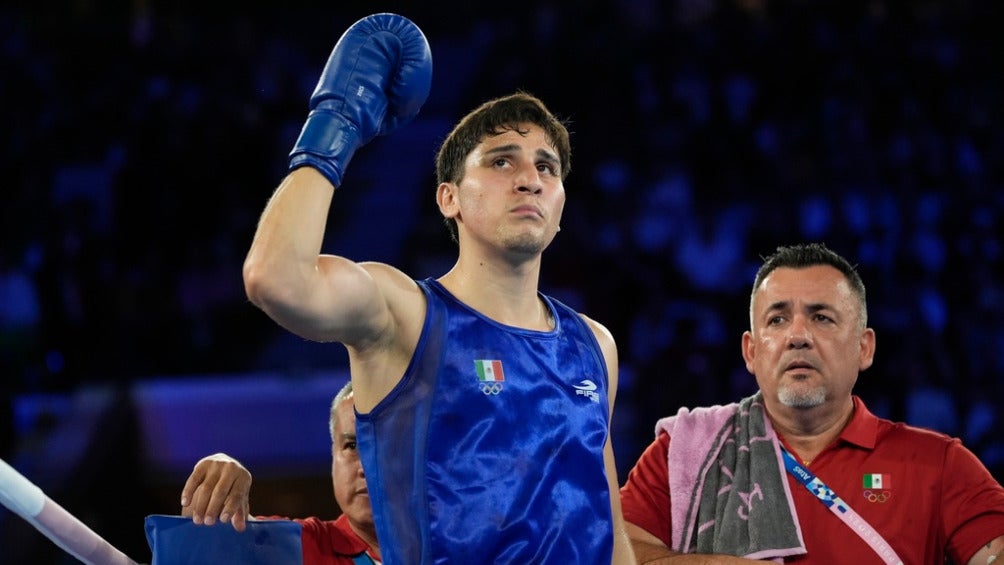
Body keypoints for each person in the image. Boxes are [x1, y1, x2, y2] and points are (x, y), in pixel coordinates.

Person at [240, 12, 634, 564]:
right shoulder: (405, 314)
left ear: (561, 205)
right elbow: (274, 277)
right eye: (502, 161)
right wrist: (336, 121)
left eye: (547, 168)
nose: (530, 179)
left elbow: (610, 532)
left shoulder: (595, 345)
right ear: (449, 198)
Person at [619, 242, 1004, 564]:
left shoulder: (939, 464)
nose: (798, 336)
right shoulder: (684, 453)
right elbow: (614, 553)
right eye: (777, 320)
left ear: (864, 348)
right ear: (751, 352)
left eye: (821, 317)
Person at [180, 381, 381, 564]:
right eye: (351, 445)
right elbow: (214, 541)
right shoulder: (300, 547)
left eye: (386, 447)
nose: (365, 467)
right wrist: (214, 486)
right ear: (333, 454)